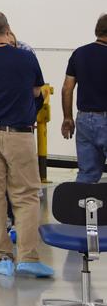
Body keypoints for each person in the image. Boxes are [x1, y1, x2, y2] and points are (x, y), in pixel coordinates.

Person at [0, 10, 54, 278]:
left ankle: (2, 258)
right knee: (26, 196)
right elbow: (37, 91)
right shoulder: (26, 58)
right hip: (19, 134)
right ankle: (27, 257)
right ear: (8, 29)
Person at [61, 13, 107, 183]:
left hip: (84, 119)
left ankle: (83, 208)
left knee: (86, 174)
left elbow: (67, 89)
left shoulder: (79, 53)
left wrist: (67, 117)